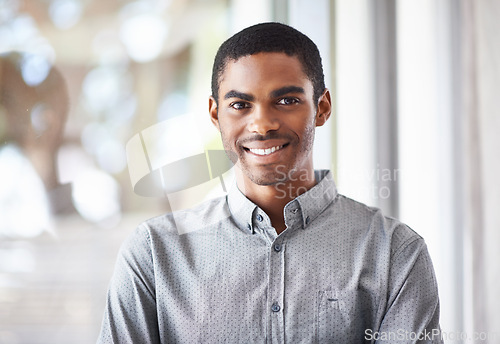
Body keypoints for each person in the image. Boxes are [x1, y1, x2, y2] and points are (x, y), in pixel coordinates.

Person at [98, 22, 443, 343]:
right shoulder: (154, 255)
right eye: (240, 104)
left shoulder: (395, 254)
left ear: (321, 107)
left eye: (287, 100)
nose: (262, 125)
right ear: (216, 114)